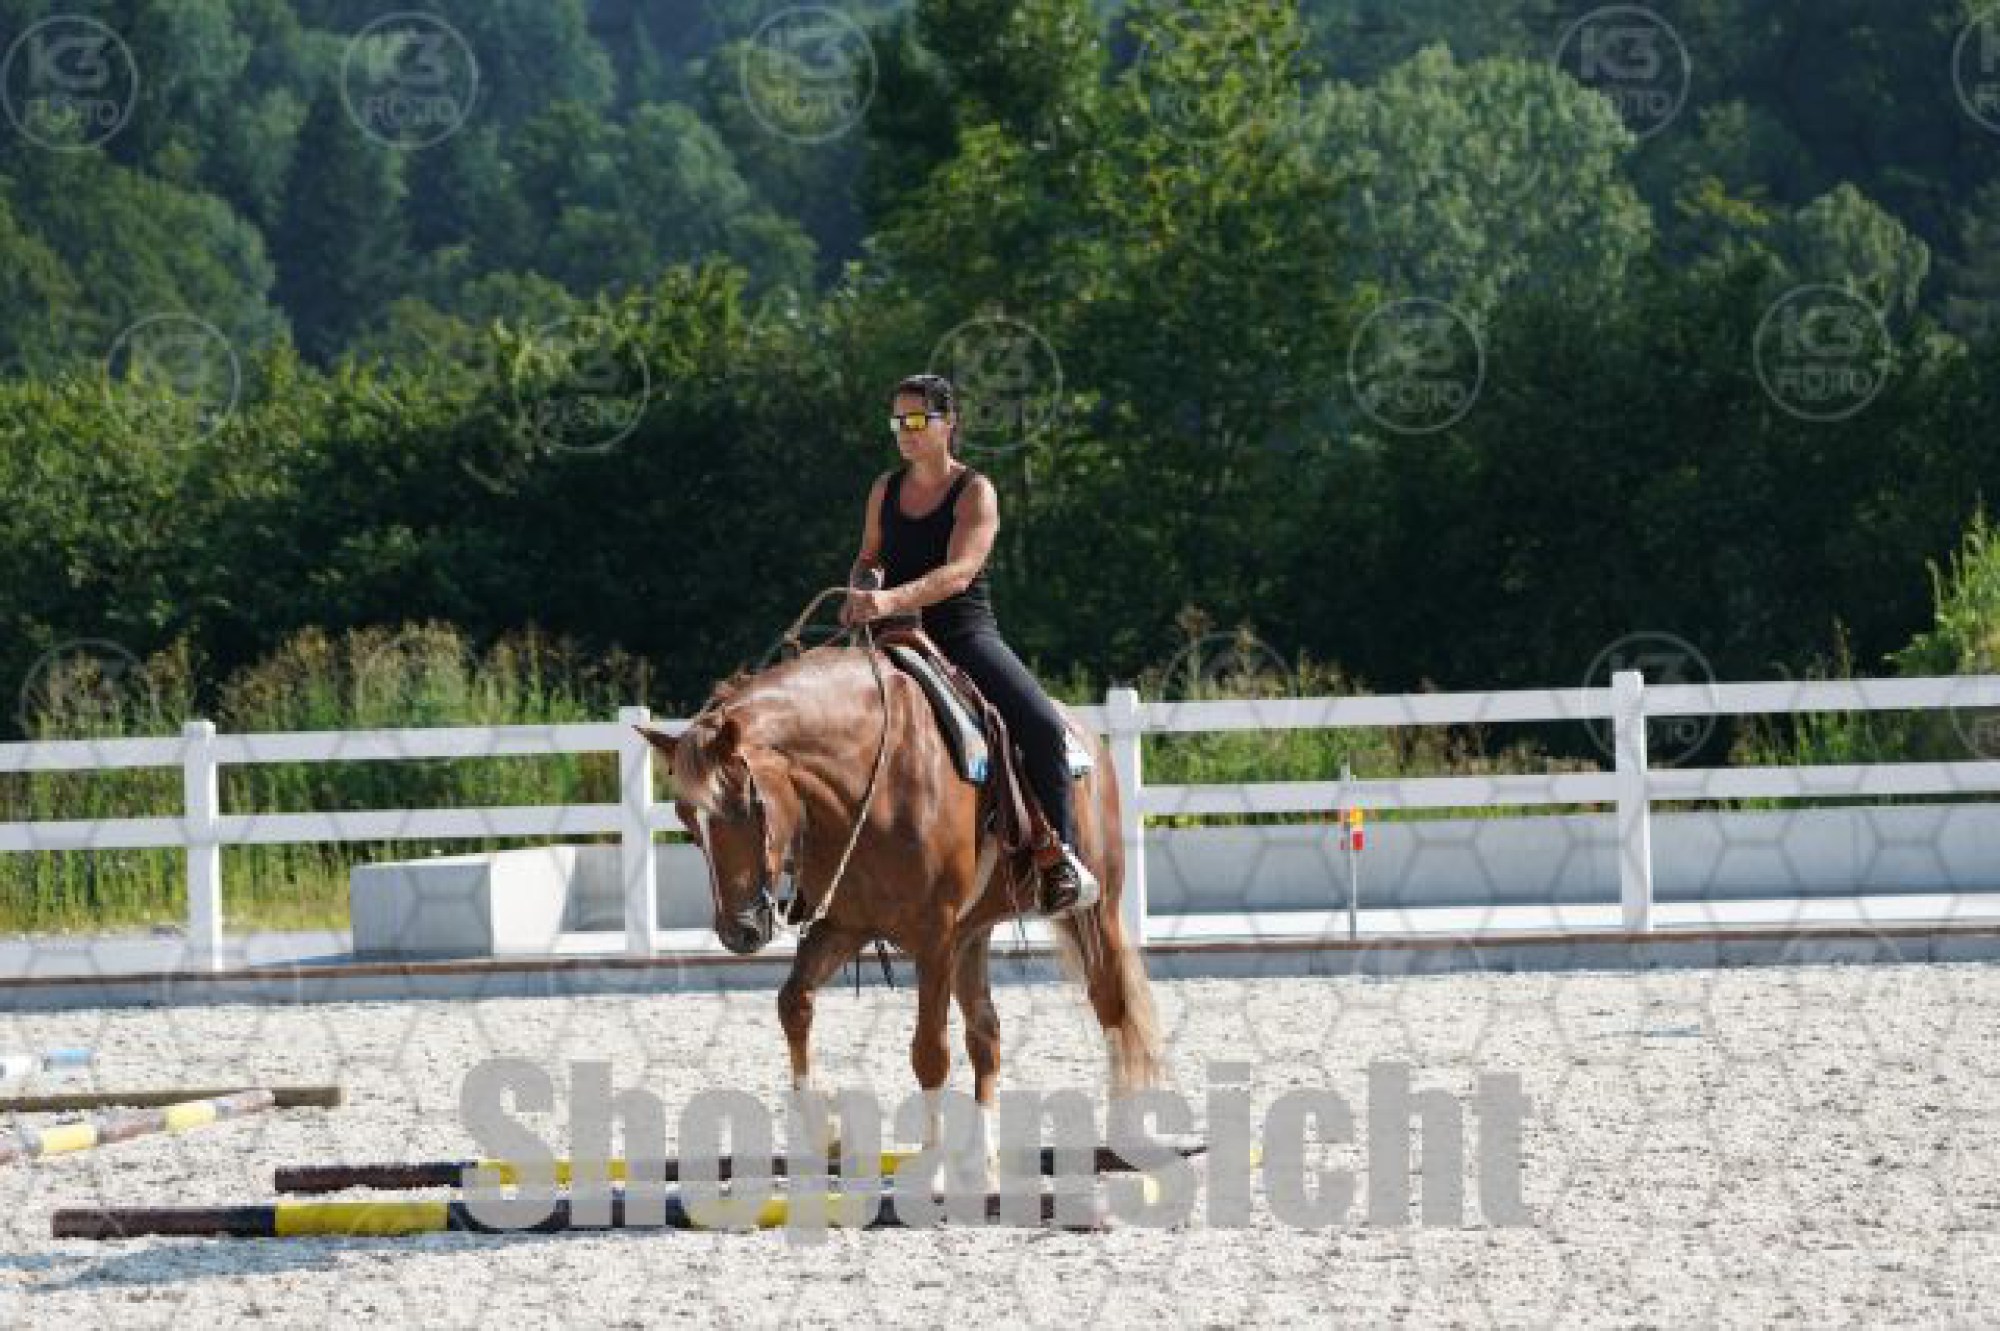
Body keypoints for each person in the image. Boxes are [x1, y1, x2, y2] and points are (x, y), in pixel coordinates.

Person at [839, 373, 1100, 917]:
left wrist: (888, 599)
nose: (905, 431)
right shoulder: (884, 489)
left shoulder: (975, 491)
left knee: (1041, 724)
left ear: (949, 423)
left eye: (917, 419)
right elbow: (869, 556)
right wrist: (861, 588)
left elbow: (959, 573)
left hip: (963, 634)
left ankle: (1059, 859)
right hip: (892, 636)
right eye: (897, 421)